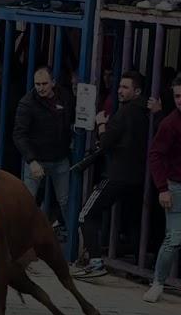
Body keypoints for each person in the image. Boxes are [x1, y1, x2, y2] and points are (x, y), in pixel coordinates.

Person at [77, 71, 150, 276]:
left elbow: (107, 142)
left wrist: (101, 123)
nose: (120, 90)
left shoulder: (124, 113)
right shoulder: (146, 112)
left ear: (136, 91)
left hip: (117, 174)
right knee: (133, 221)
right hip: (137, 177)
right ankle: (140, 267)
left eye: (126, 87)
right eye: (120, 87)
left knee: (85, 214)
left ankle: (95, 261)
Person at [13, 66, 74, 232]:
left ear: (53, 82)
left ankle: (75, 243)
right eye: (37, 84)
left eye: (44, 84)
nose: (40, 87)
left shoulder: (65, 96)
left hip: (59, 158)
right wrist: (31, 160)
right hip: (37, 159)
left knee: (66, 201)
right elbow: (19, 135)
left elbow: (71, 119)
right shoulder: (27, 103)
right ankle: (21, 243)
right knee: (27, 202)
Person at [143, 78, 181, 302]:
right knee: (174, 238)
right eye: (177, 96)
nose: (180, 101)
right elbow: (155, 155)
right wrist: (163, 188)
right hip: (175, 186)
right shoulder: (170, 123)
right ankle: (158, 282)